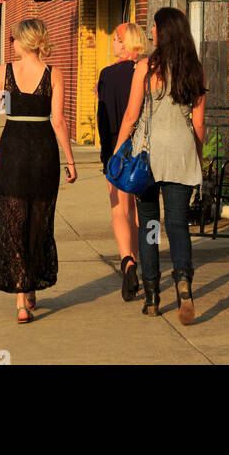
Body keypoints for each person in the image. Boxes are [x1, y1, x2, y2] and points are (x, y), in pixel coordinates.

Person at [0, 18, 77, 323]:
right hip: (44, 151)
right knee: (39, 221)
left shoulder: (3, 72)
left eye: (13, 40)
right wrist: (70, 160)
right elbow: (59, 121)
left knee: (13, 222)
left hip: (12, 151)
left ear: (24, 41)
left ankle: (22, 298)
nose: (12, 44)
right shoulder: (54, 74)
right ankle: (30, 282)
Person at [113, 7, 205, 324]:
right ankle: (184, 286)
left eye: (153, 26)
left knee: (150, 225)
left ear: (161, 31)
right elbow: (199, 124)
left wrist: (116, 154)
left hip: (147, 158)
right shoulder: (195, 70)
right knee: (178, 226)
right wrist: (198, 155)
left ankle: (152, 296)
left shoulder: (145, 68)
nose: (151, 31)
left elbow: (130, 116)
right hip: (181, 153)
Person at [97, 22, 147, 300]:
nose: (112, 45)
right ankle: (140, 259)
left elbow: (103, 121)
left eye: (115, 40)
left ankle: (127, 259)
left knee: (119, 208)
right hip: (144, 148)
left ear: (123, 43)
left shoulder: (107, 75)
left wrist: (107, 152)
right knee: (141, 210)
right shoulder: (150, 71)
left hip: (117, 146)